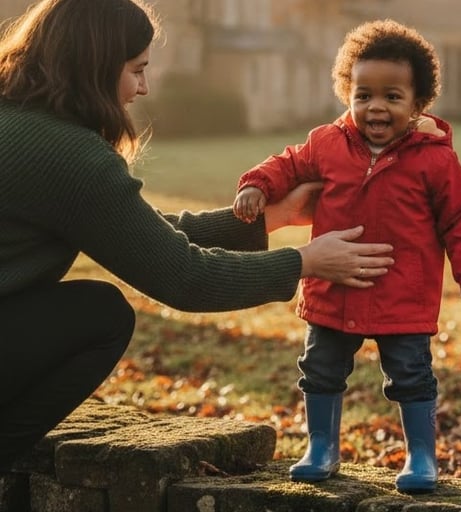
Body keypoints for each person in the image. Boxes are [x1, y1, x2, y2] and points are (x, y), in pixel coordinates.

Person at [0, 0, 397, 469]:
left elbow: (137, 233)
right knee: (101, 314)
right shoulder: (69, 155)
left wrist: (270, 218)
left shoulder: (17, 121)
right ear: (95, 66)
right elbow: (184, 278)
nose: (143, 87)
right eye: (136, 69)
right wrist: (305, 262)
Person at [233, 19, 461, 493]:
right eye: (363, 95)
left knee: (411, 375)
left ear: (418, 104)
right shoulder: (327, 144)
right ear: (347, 94)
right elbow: (287, 163)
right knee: (320, 368)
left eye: (392, 97)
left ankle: (420, 456)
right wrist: (256, 184)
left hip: (403, 294)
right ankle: (322, 448)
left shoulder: (435, 160)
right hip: (334, 289)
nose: (376, 106)